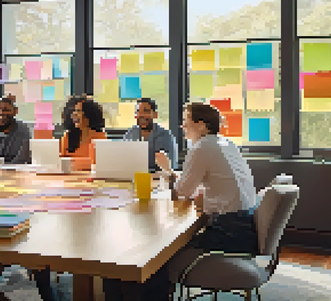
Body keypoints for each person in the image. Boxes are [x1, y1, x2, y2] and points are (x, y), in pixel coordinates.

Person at [102, 102, 259, 301]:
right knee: (156, 248)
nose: (182, 127)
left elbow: (180, 194)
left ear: (201, 125)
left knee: (154, 253)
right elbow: (196, 189)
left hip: (228, 231)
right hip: (244, 228)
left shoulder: (202, 147)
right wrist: (179, 180)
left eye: (186, 122)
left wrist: (167, 170)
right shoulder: (224, 143)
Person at [123, 98, 178, 172]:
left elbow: (171, 167)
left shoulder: (165, 136)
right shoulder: (130, 134)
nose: (141, 115)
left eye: (146, 111)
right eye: (138, 111)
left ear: (155, 115)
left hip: (158, 180)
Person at [60, 95, 107, 171]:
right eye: (72, 111)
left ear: (88, 114)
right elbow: (60, 164)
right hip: (69, 180)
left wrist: (74, 163)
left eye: (78, 111)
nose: (73, 114)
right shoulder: (67, 137)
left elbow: (101, 166)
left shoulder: (100, 138)